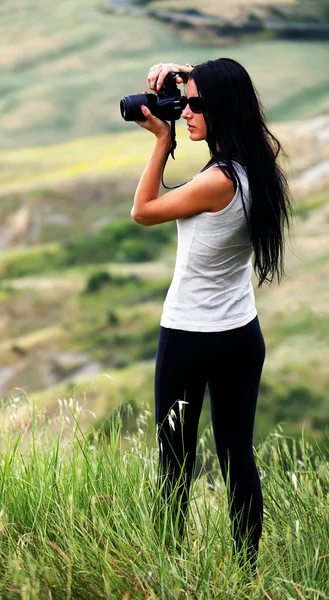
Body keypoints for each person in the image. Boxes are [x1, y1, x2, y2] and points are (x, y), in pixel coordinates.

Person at [131, 58, 294, 574]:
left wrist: (161, 139)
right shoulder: (255, 166)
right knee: (236, 457)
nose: (187, 112)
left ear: (224, 108)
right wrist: (183, 76)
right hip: (241, 333)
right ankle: (247, 573)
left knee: (174, 464)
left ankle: (168, 568)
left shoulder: (219, 180)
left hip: (190, 335)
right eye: (186, 102)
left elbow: (143, 210)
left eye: (198, 105)